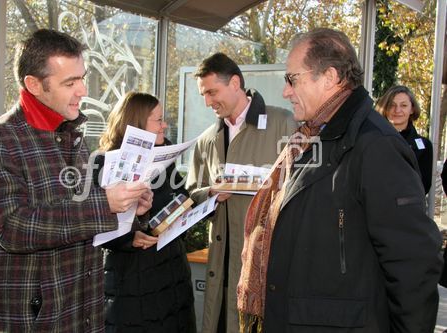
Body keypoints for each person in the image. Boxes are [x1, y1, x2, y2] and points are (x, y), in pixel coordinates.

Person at [237, 28, 443, 333]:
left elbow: (413, 265)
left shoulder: (375, 145)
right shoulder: (310, 139)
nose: (286, 92)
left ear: (330, 77)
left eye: (292, 79)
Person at [0, 29, 152, 332]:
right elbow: (13, 228)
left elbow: (80, 215)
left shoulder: (71, 135)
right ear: (34, 85)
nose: (82, 90)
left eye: (82, 77)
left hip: (82, 313)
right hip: (32, 321)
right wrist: (104, 205)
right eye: (70, 82)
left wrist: (128, 208)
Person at [186, 52, 297, 333]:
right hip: (220, 268)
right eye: (203, 94)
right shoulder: (206, 140)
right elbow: (190, 193)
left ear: (235, 83)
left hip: (264, 269)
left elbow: (302, 191)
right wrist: (209, 192)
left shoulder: (284, 123)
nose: (207, 101)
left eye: (212, 92)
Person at [94, 91, 196, 333]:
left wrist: (187, 211)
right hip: (131, 280)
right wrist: (129, 238)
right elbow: (93, 222)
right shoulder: (104, 163)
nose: (165, 125)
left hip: (173, 275)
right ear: (137, 123)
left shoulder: (165, 156)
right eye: (158, 120)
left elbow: (182, 197)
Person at [376, 85, 433, 193]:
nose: (397, 110)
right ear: (385, 108)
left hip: (409, 206)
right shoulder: (371, 141)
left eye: (403, 105)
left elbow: (424, 185)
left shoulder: (424, 146)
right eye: (392, 105)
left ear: (412, 109)